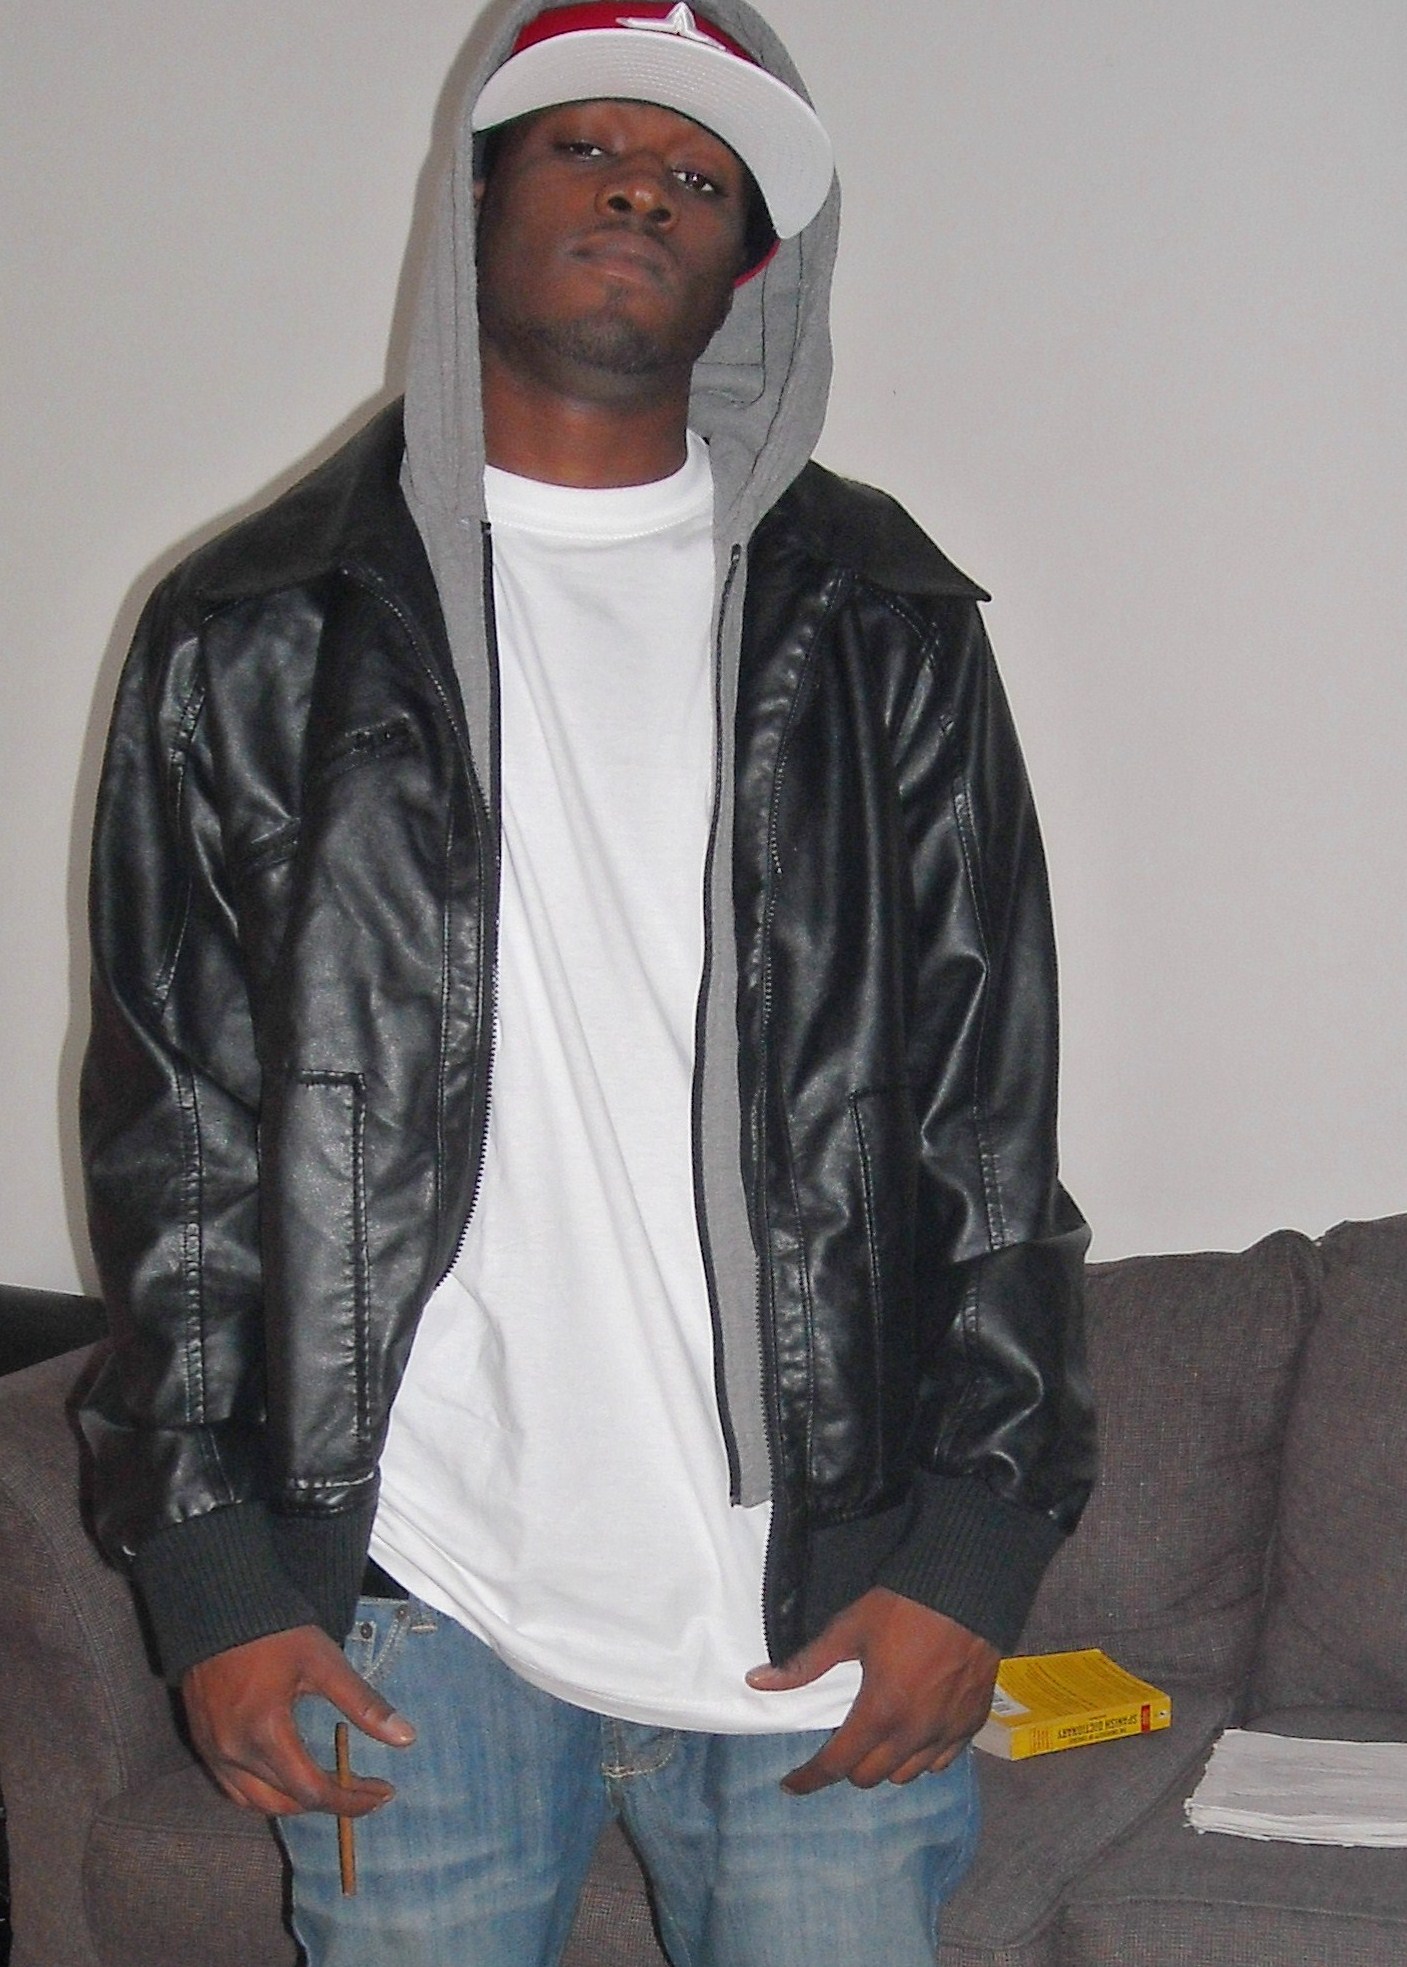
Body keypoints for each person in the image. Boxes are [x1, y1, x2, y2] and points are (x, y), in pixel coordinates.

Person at [78, 3, 1095, 1962]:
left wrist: (977, 1547)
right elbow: (174, 1137)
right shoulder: (249, 630)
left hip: (825, 1601)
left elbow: (987, 1112)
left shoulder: (884, 623)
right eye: (584, 145)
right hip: (408, 1603)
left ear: (753, 268)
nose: (643, 188)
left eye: (698, 174)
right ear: (469, 205)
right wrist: (211, 1566)